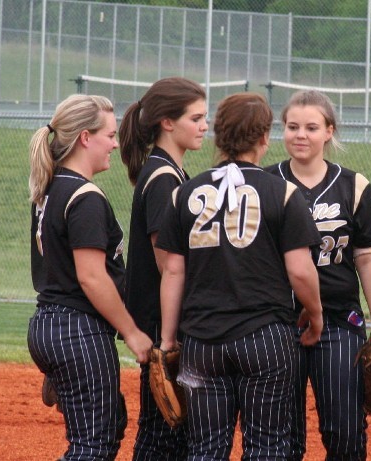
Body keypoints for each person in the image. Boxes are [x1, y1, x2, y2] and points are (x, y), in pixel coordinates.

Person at [155, 92, 324, 460]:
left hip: (202, 341)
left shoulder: (184, 193)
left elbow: (173, 271)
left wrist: (168, 339)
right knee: (267, 446)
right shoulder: (283, 192)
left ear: (219, 135)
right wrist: (316, 315)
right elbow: (300, 270)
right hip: (264, 337)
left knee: (206, 448)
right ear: (264, 137)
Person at [27, 94, 153, 460]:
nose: (115, 144)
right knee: (93, 446)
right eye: (109, 135)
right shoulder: (85, 197)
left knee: (108, 427)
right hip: (77, 329)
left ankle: (65, 377)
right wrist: (132, 333)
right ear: (85, 137)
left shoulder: (50, 188)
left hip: (50, 324)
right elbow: (92, 278)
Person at [266, 89, 371, 461]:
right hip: (278, 322)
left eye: (311, 127)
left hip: (338, 320)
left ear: (329, 131)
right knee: (280, 437)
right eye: (292, 127)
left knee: (346, 433)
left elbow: (367, 259)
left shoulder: (353, 185)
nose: (300, 135)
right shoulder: (267, 183)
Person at [119, 77, 208, 460]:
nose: (204, 126)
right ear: (167, 122)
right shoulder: (163, 178)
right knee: (162, 436)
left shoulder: (168, 171)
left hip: (161, 321)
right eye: (196, 118)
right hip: (162, 324)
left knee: (167, 435)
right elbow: (166, 262)